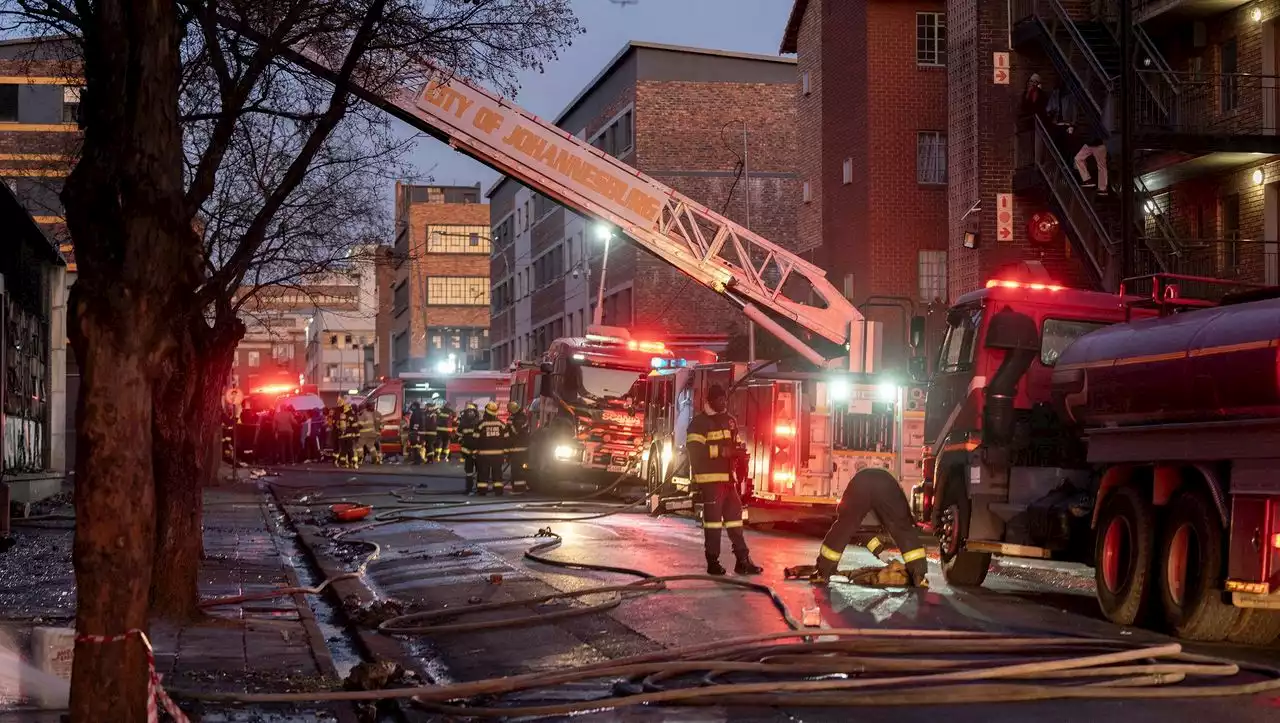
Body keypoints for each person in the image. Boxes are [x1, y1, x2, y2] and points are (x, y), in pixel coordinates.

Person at [686, 384, 762, 576]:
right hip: (710, 482)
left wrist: (739, 454)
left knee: (735, 521)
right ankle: (713, 562)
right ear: (710, 401)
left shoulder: (729, 421)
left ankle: (743, 561)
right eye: (719, 400)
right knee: (713, 524)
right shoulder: (699, 423)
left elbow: (733, 444)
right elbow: (695, 452)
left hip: (729, 481)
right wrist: (722, 451)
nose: (723, 403)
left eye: (725, 399)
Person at [810, 467, 928, 588]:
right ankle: (919, 577)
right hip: (885, 483)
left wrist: (883, 554)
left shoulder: (863, 518)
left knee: (843, 527)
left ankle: (822, 573)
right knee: (903, 529)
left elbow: (865, 535)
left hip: (860, 482)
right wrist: (883, 555)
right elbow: (902, 526)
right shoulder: (885, 512)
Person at [474, 402, 507, 496]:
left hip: (484, 455)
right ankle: (498, 491)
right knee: (497, 473)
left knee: (483, 473)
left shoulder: (481, 424)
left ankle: (482, 491)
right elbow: (507, 438)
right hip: (498, 455)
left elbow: (475, 439)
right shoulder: (501, 424)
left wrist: (474, 452)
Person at [504, 400, 530, 494]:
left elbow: (516, 432)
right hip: (517, 447)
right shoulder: (517, 417)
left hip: (519, 448)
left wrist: (510, 425)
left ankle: (519, 489)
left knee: (517, 469)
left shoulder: (520, 418)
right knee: (517, 469)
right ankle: (520, 487)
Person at [458, 402, 480, 494]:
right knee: (472, 472)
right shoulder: (478, 422)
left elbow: (458, 437)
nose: (470, 413)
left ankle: (473, 489)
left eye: (471, 411)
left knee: (475, 471)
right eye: (469, 412)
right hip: (471, 452)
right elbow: (458, 437)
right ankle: (474, 489)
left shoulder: (477, 423)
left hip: (472, 451)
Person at [336, 397, 360, 469]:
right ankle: (353, 463)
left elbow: (337, 426)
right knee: (351, 450)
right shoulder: (351, 416)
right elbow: (355, 426)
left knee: (343, 450)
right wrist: (357, 435)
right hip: (350, 436)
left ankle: (343, 464)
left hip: (342, 436)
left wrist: (339, 434)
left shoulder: (340, 415)